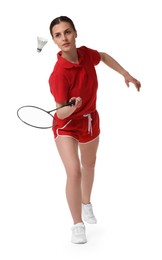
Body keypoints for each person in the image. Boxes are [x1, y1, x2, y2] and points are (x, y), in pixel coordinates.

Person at [48, 16, 141, 244]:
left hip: (89, 120)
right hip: (67, 125)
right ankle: (77, 225)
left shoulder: (86, 54)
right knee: (74, 172)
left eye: (67, 32)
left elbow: (104, 56)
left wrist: (126, 74)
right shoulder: (59, 74)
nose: (64, 38)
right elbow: (59, 113)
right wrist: (72, 107)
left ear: (75, 33)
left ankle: (86, 203)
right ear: (54, 40)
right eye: (58, 35)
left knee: (89, 165)